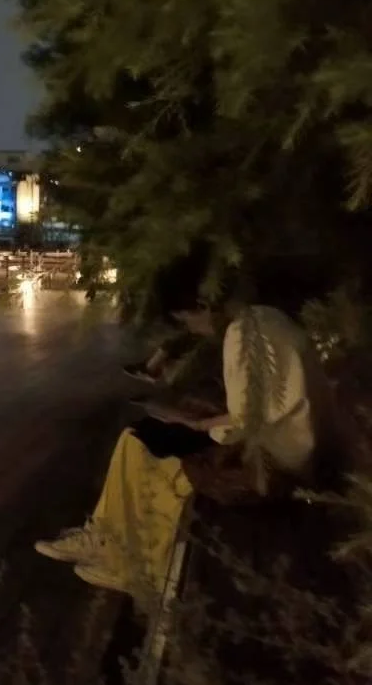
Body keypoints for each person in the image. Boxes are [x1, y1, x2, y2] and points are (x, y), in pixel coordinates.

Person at [33, 254, 340, 604]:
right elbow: (263, 407)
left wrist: (197, 424)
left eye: (187, 319)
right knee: (144, 433)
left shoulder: (243, 335)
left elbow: (245, 421)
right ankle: (107, 540)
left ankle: (125, 560)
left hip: (274, 460)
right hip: (293, 445)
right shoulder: (268, 318)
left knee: (144, 441)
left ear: (202, 303)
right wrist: (197, 421)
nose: (193, 329)